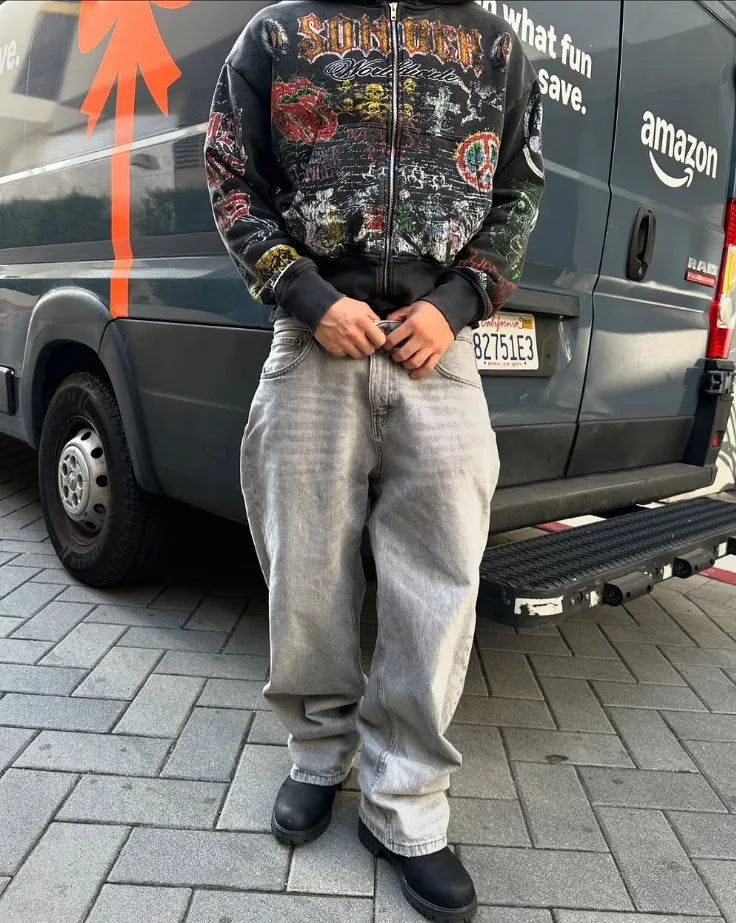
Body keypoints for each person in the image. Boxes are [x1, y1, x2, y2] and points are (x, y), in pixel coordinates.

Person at [205, 2, 544, 919]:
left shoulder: (493, 44)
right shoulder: (277, 32)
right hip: (313, 340)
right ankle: (318, 754)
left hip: (440, 351)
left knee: (441, 577)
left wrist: (458, 302)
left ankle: (406, 805)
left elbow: (517, 191)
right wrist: (306, 293)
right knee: (305, 570)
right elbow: (231, 176)